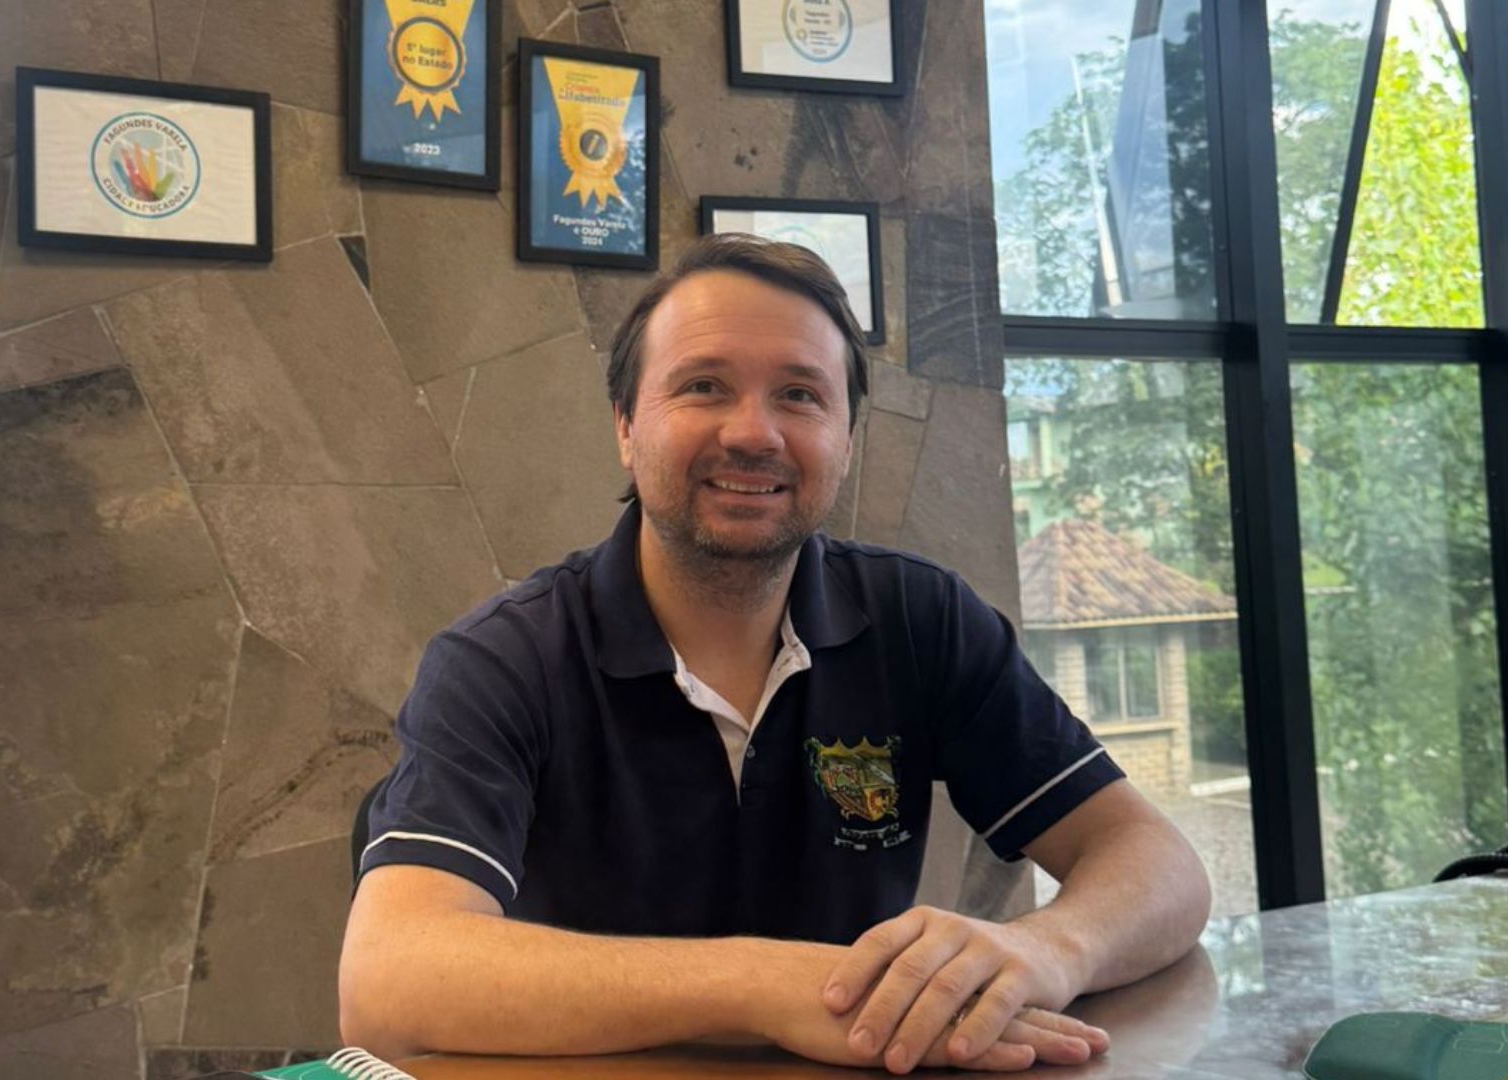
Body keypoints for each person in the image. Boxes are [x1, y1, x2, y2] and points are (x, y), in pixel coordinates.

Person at [337, 235, 1211, 1074]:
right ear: (626, 428)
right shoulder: (504, 658)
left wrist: (1048, 950)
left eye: (799, 394)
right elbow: (389, 979)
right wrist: (770, 985)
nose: (753, 432)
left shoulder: (923, 619)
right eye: (704, 386)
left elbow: (1156, 862)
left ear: (846, 438)